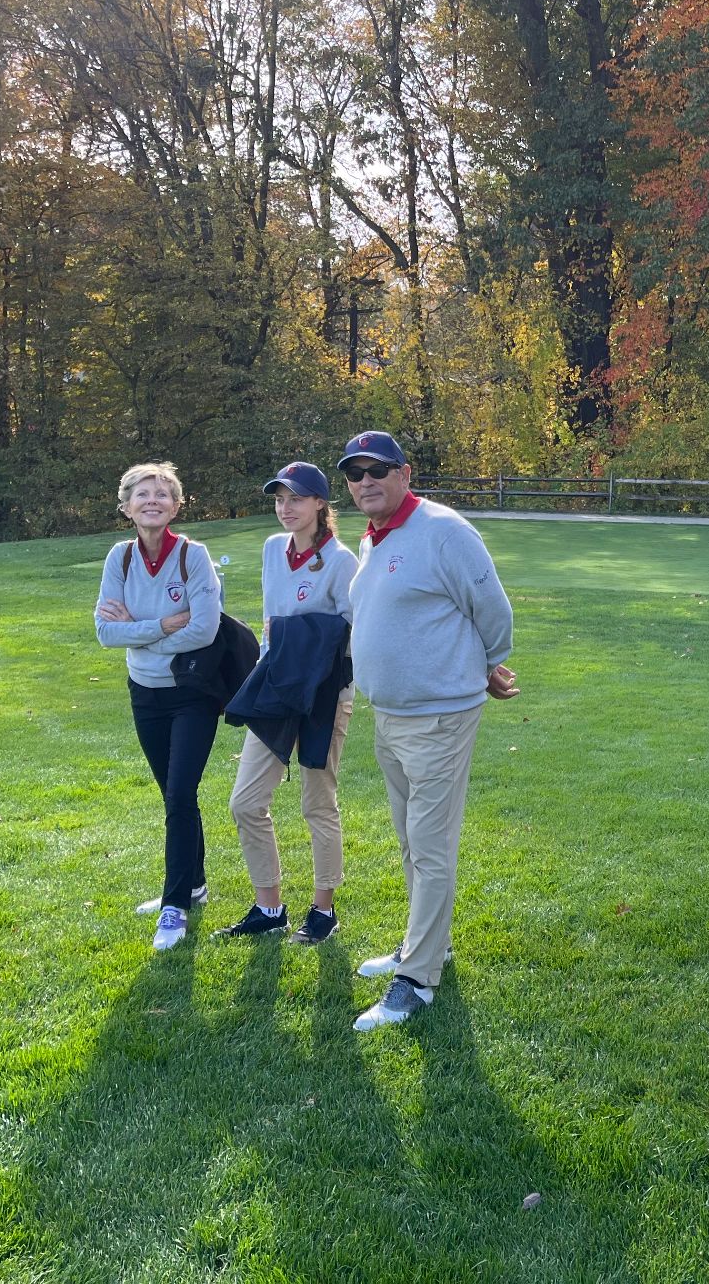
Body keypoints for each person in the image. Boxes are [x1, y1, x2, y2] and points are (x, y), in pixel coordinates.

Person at [337, 431, 517, 1032]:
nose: (366, 481)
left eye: (377, 470)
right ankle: (426, 946)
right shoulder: (376, 536)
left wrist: (488, 663)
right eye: (355, 473)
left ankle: (417, 979)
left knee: (431, 848)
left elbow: (492, 609)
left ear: (405, 473)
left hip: (439, 714)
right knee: (412, 841)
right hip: (390, 715)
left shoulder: (444, 531)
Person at [212, 461, 360, 946]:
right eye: (279, 499)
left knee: (318, 804)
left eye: (296, 498)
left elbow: (350, 632)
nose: (285, 508)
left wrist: (297, 636)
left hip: (325, 695)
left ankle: (323, 911)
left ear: (320, 503)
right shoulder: (272, 549)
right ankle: (270, 907)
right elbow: (272, 622)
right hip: (276, 687)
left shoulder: (341, 562)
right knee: (246, 802)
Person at [94, 461, 223, 951]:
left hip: (192, 693)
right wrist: (165, 626)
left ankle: (174, 906)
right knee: (176, 795)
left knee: (178, 794)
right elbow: (106, 632)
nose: (152, 500)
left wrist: (139, 629)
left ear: (176, 505)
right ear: (126, 506)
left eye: (162, 494)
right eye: (142, 494)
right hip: (144, 692)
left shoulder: (194, 556)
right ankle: (194, 884)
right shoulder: (119, 558)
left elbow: (205, 630)